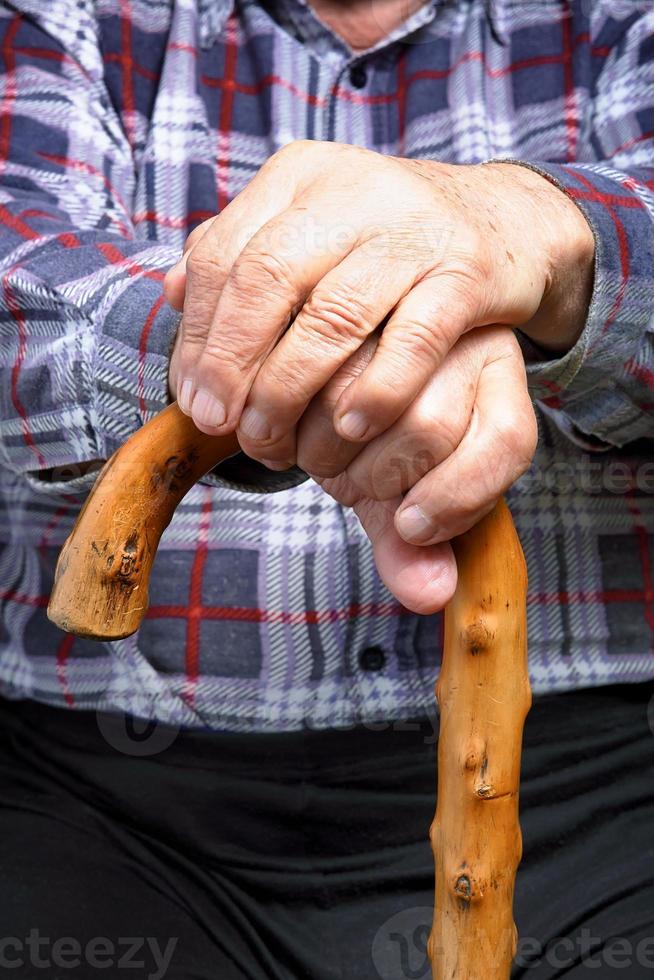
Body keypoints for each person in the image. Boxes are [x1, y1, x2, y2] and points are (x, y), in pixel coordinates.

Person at [0, 0, 652, 977]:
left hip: (600, 782)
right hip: (108, 798)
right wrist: (328, 342)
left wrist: (540, 235)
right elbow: (18, 278)